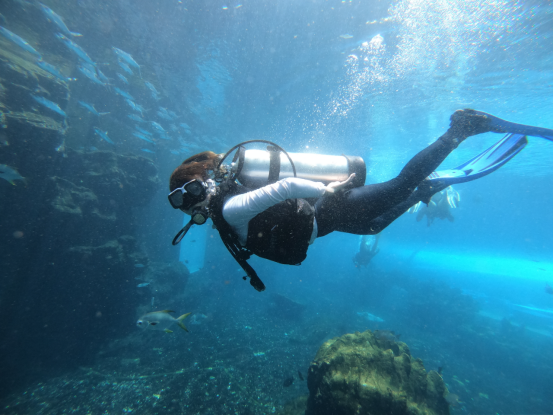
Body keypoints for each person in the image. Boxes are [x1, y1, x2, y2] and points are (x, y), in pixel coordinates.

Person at [168, 109, 553, 291]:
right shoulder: (224, 210)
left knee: (400, 184)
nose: (191, 208)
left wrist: (327, 191)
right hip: (322, 222)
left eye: (189, 198)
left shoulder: (229, 208)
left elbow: (285, 189)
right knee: (373, 226)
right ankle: (425, 190)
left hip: (328, 207)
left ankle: (461, 130)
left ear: (202, 187)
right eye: (184, 205)